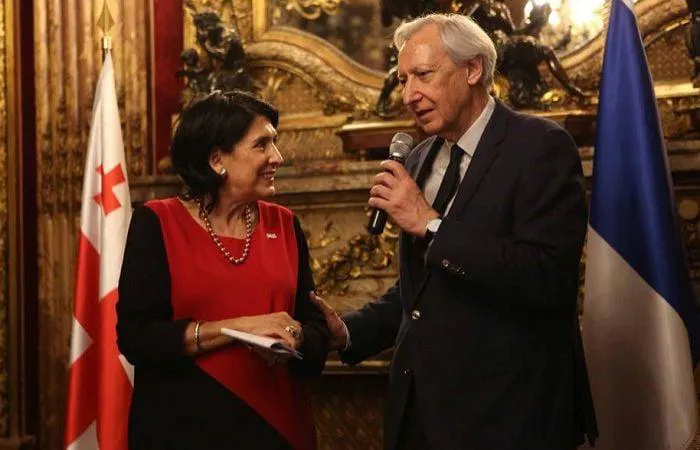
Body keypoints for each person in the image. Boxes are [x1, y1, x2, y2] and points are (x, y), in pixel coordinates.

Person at [311, 13, 598, 450]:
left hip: (511, 419)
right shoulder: (419, 156)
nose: (409, 94)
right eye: (403, 79)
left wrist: (430, 224)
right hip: (421, 418)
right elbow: (424, 292)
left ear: (473, 69)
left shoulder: (540, 147)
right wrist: (348, 333)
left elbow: (546, 279)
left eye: (423, 75)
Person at [116, 90, 329, 450]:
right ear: (217, 159)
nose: (277, 157)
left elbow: (316, 331)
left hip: (279, 432)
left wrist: (297, 335)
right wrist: (238, 329)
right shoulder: (157, 222)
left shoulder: (285, 224)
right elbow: (136, 339)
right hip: (183, 431)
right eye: (261, 145)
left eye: (274, 143)